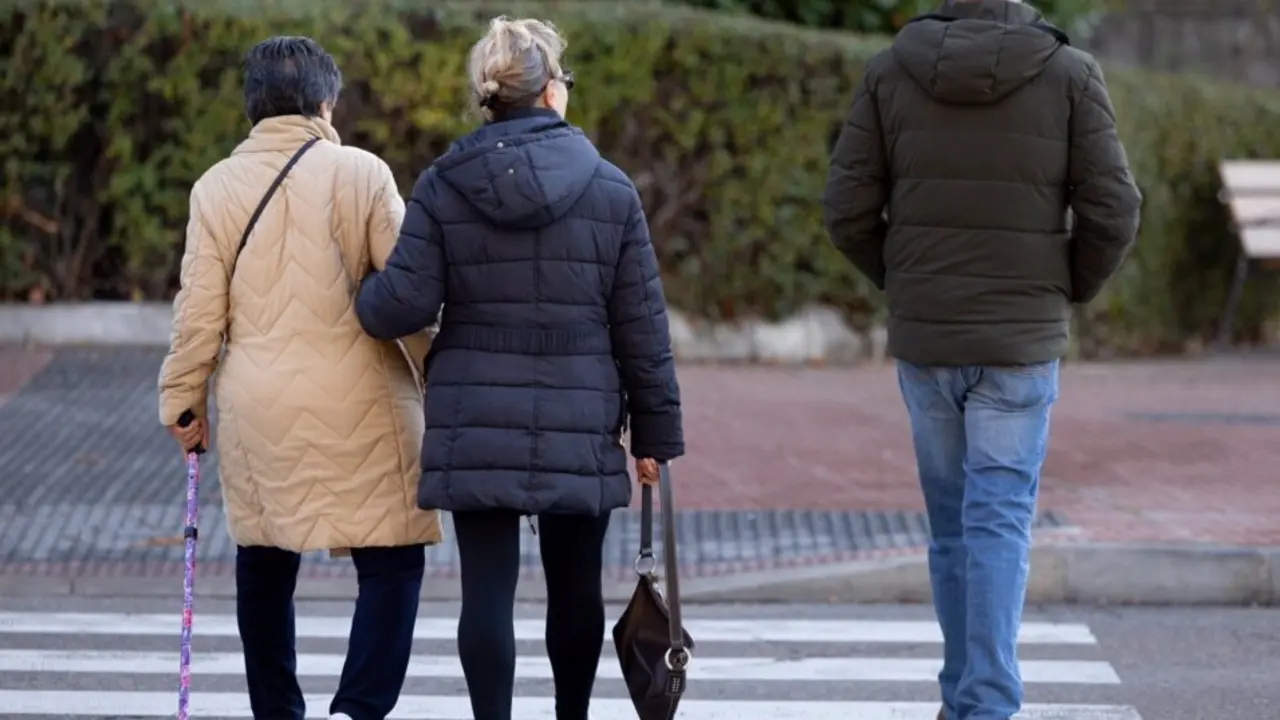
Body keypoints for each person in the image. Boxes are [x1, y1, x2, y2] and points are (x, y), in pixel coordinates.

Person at [353, 15, 684, 720]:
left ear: (489, 96)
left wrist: (359, 290)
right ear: (551, 92)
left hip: (475, 413)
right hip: (581, 410)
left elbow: (403, 303)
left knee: (486, 593)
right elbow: (641, 328)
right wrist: (654, 436)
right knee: (576, 588)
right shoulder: (610, 189)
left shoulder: (444, 184)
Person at [822, 1, 1141, 719]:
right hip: (1019, 343)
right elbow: (1115, 207)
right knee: (998, 521)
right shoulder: (1069, 73)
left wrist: (905, 282)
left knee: (951, 528)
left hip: (929, 339)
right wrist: (1066, 287)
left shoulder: (890, 71)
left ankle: (963, 697)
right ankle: (987, 704)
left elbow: (845, 208)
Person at [157, 36, 440, 720]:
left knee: (264, 559)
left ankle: (278, 710)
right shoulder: (363, 174)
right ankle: (357, 709)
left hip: (259, 405)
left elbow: (199, 313)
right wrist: (443, 372)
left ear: (252, 106)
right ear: (325, 103)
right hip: (365, 399)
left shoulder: (215, 187)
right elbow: (408, 297)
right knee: (393, 558)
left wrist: (183, 399)